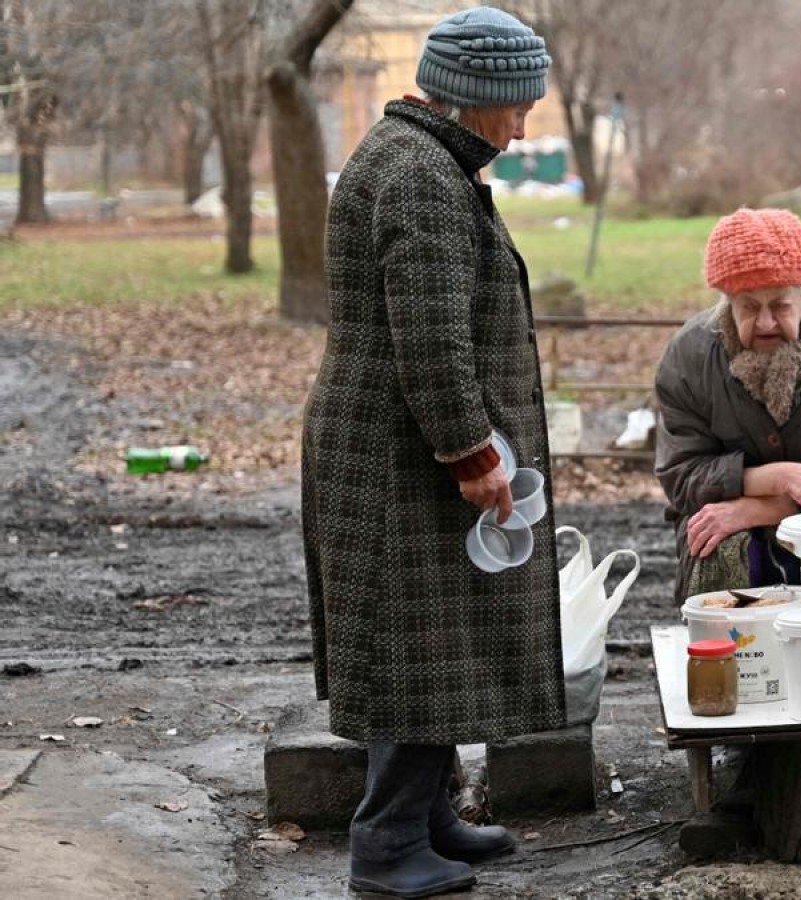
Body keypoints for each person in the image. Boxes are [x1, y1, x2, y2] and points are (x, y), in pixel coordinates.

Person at [301, 7, 559, 897]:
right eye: (517, 109)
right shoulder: (419, 176)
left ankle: (428, 817)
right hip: (399, 456)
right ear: (474, 97)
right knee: (420, 641)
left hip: (391, 446)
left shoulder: (417, 158)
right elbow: (432, 341)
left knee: (432, 642)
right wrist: (472, 453)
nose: (522, 129)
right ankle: (386, 846)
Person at [654, 208, 801, 601]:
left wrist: (759, 509)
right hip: (722, 519)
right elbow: (681, 473)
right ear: (727, 304)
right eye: (748, 306)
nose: (765, 322)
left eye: (780, 305)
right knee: (718, 548)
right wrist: (777, 476)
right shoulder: (689, 355)